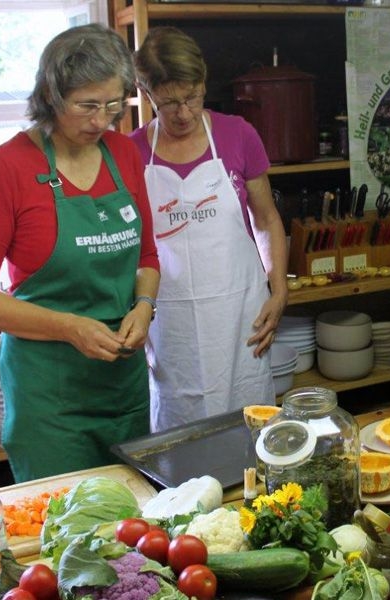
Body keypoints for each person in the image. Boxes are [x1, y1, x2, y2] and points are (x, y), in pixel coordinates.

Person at [0, 24, 161, 483]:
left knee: (132, 526)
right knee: (64, 535)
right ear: (51, 95)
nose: (101, 122)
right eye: (86, 106)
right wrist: (69, 328)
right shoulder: (6, 168)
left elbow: (146, 256)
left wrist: (144, 306)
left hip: (121, 386)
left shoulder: (123, 154)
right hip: (50, 397)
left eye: (112, 106)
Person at [130, 26, 288, 432]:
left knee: (249, 432)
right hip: (170, 325)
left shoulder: (238, 135)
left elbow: (266, 218)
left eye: (191, 97)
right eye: (167, 104)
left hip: (241, 318)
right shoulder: (131, 153)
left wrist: (280, 289)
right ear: (146, 94)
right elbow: (130, 247)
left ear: (203, 83)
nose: (183, 113)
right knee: (180, 437)